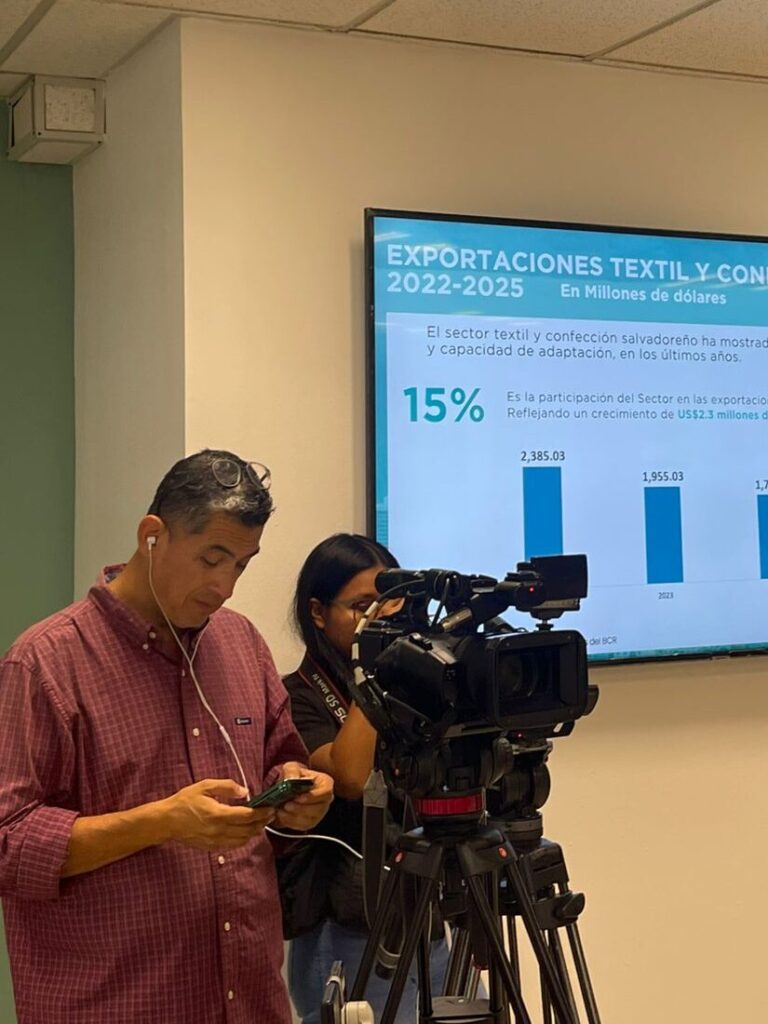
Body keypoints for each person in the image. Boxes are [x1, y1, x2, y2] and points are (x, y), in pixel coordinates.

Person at [0, 449, 334, 1024]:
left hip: (250, 1003)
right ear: (152, 535)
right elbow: (8, 843)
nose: (225, 586)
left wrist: (296, 792)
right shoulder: (46, 662)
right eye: (212, 558)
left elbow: (280, 763)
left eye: (242, 565)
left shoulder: (240, 643)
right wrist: (162, 822)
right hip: (116, 1006)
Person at [280, 533, 449, 1024]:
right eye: (362, 607)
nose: (381, 619)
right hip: (346, 932)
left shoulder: (413, 687)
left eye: (390, 604)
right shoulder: (294, 697)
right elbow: (350, 776)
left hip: (426, 917)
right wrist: (374, 665)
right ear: (318, 612)